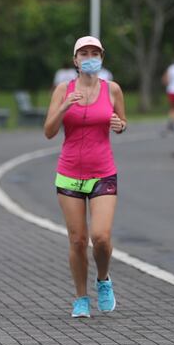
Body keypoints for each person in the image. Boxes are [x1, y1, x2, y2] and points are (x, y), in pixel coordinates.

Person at [44, 35, 128, 318]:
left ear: (101, 58)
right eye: (84, 53)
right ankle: (81, 298)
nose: (89, 58)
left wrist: (120, 125)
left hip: (103, 172)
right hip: (69, 174)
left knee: (100, 237)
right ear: (75, 60)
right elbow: (49, 131)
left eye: (95, 53)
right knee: (78, 240)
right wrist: (65, 106)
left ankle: (103, 279)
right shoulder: (63, 90)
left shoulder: (112, 89)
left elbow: (122, 122)